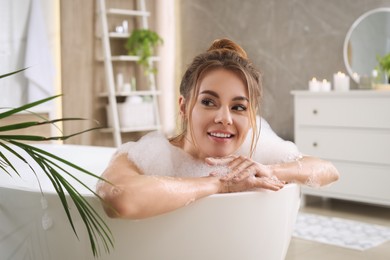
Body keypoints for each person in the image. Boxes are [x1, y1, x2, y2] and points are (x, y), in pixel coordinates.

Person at [96, 39, 339, 219]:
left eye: (238, 107)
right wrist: (218, 184)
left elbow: (328, 170)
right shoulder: (144, 157)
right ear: (184, 106)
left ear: (252, 116)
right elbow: (120, 199)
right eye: (208, 102)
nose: (225, 118)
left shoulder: (254, 156)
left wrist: (270, 170)